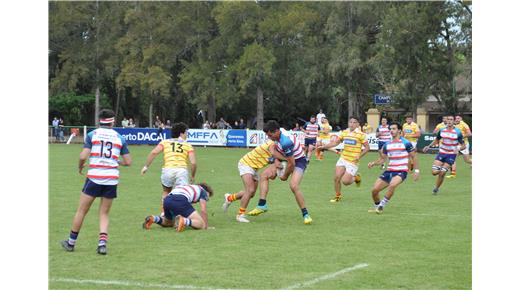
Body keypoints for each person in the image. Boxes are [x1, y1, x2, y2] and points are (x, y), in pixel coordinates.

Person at [61, 109, 132, 255]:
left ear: (99, 120)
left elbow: (83, 156)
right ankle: (102, 245)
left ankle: (71, 242)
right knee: (104, 213)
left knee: (81, 211)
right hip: (111, 179)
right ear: (112, 121)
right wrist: (115, 161)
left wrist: (80, 167)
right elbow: (128, 162)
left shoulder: (92, 135)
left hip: (94, 177)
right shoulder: (120, 138)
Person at [248, 120, 313, 225]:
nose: (269, 138)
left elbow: (291, 164)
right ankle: (262, 205)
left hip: (299, 161)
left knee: (293, 186)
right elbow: (278, 150)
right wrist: (276, 160)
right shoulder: (278, 133)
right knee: (264, 175)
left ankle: (306, 214)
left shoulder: (285, 142)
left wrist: (284, 176)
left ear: (277, 131)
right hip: (287, 159)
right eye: (268, 135)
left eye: (270, 135)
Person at [222, 139, 285, 222]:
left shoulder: (274, 147)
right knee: (250, 190)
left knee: (251, 194)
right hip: (245, 164)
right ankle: (240, 215)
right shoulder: (272, 145)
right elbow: (273, 155)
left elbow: (273, 166)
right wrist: (285, 161)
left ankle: (230, 198)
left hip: (254, 168)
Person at [141, 122, 196, 216]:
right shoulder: (187, 145)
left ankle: (164, 213)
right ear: (181, 133)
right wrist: (193, 175)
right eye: (186, 133)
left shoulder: (165, 142)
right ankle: (182, 215)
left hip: (168, 170)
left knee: (166, 191)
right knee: (182, 194)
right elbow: (193, 163)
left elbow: (153, 152)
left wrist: (146, 166)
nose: (187, 135)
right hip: (181, 171)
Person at [367, 122, 419, 214]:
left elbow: (414, 156)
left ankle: (381, 206)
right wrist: (373, 163)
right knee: (374, 191)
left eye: (394, 129)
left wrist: (416, 170)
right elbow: (382, 159)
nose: (391, 131)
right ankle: (377, 207)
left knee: (392, 185)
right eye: (390, 129)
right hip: (389, 171)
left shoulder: (406, 143)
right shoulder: (387, 144)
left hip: (401, 171)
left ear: (399, 130)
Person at [318, 116, 369, 203]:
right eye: (350, 122)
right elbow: (335, 143)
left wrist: (359, 156)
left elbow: (367, 148)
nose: (352, 124)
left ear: (357, 124)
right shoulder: (344, 132)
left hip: (353, 161)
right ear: (348, 123)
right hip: (343, 158)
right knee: (336, 178)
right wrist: (324, 147)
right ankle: (338, 196)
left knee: (345, 182)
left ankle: (356, 178)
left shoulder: (361, 135)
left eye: (354, 122)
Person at [422, 114, 465, 195]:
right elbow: (436, 140)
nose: (449, 121)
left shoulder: (458, 132)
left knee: (442, 173)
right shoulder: (442, 130)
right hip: (442, 153)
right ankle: (444, 168)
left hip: (451, 155)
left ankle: (436, 188)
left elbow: (463, 146)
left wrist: (458, 148)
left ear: (454, 121)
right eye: (448, 119)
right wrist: (428, 146)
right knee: (434, 172)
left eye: (451, 119)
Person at [143, 183, 214, 231]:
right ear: (206, 191)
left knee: (169, 222)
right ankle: (184, 221)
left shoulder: (188, 186)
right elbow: (203, 210)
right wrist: (206, 226)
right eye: (208, 196)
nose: (206, 199)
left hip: (167, 200)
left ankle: (154, 218)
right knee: (201, 224)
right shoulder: (203, 191)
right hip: (180, 200)